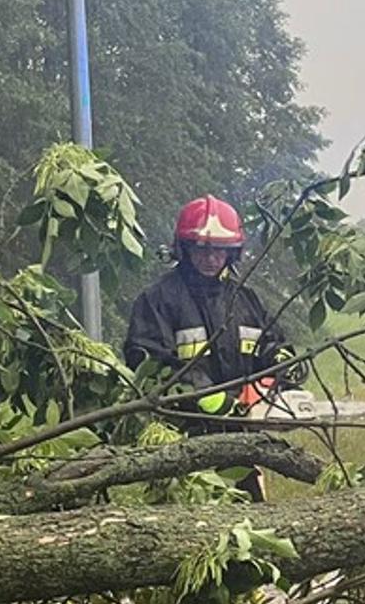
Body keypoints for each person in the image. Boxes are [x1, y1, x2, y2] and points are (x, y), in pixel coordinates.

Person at [125, 194, 300, 498]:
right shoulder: (159, 300)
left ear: (232, 253)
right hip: (182, 437)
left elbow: (270, 344)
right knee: (185, 513)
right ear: (185, 248)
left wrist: (282, 363)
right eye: (203, 249)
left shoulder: (244, 299)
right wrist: (206, 396)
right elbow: (148, 361)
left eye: (220, 250)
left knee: (250, 512)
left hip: (240, 435)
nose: (211, 258)